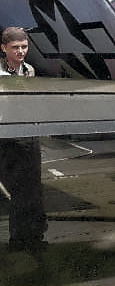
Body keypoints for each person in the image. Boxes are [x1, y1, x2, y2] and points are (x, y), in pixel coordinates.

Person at [0, 27, 47, 253]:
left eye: (24, 47)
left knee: (33, 189)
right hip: (5, 137)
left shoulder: (29, 70)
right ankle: (18, 240)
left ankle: (35, 237)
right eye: (15, 47)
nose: (20, 51)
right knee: (17, 190)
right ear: (3, 48)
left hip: (27, 136)